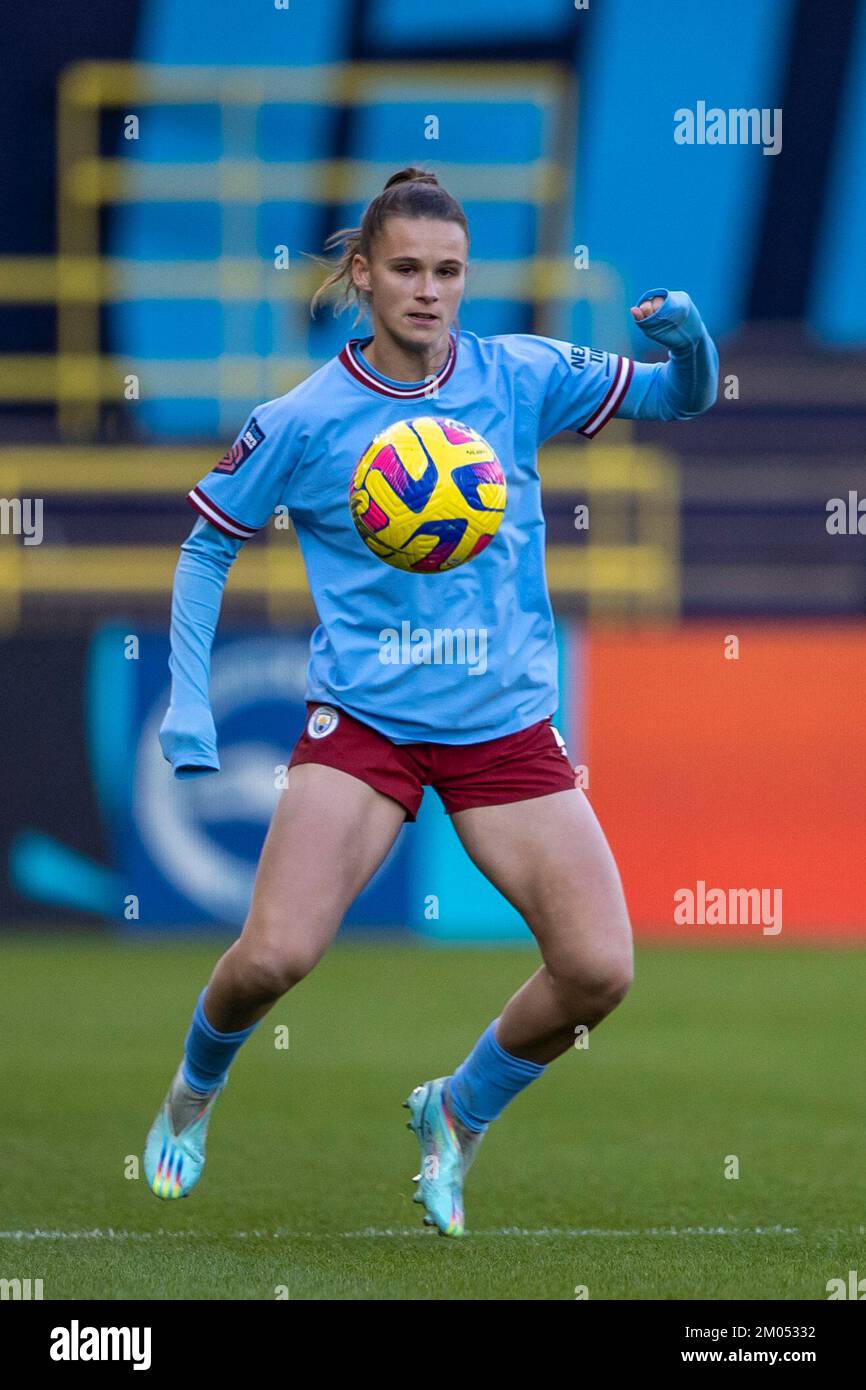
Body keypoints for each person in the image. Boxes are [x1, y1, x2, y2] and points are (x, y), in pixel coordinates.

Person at [144, 166, 718, 1235]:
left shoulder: (519, 375)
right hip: (366, 728)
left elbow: (674, 396)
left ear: (466, 278)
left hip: (502, 728)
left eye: (447, 271)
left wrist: (687, 341)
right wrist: (189, 705)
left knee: (597, 968)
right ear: (360, 274)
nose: (427, 289)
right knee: (271, 958)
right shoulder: (304, 419)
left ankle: (454, 1113)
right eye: (404, 268)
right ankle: (193, 1091)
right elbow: (204, 548)